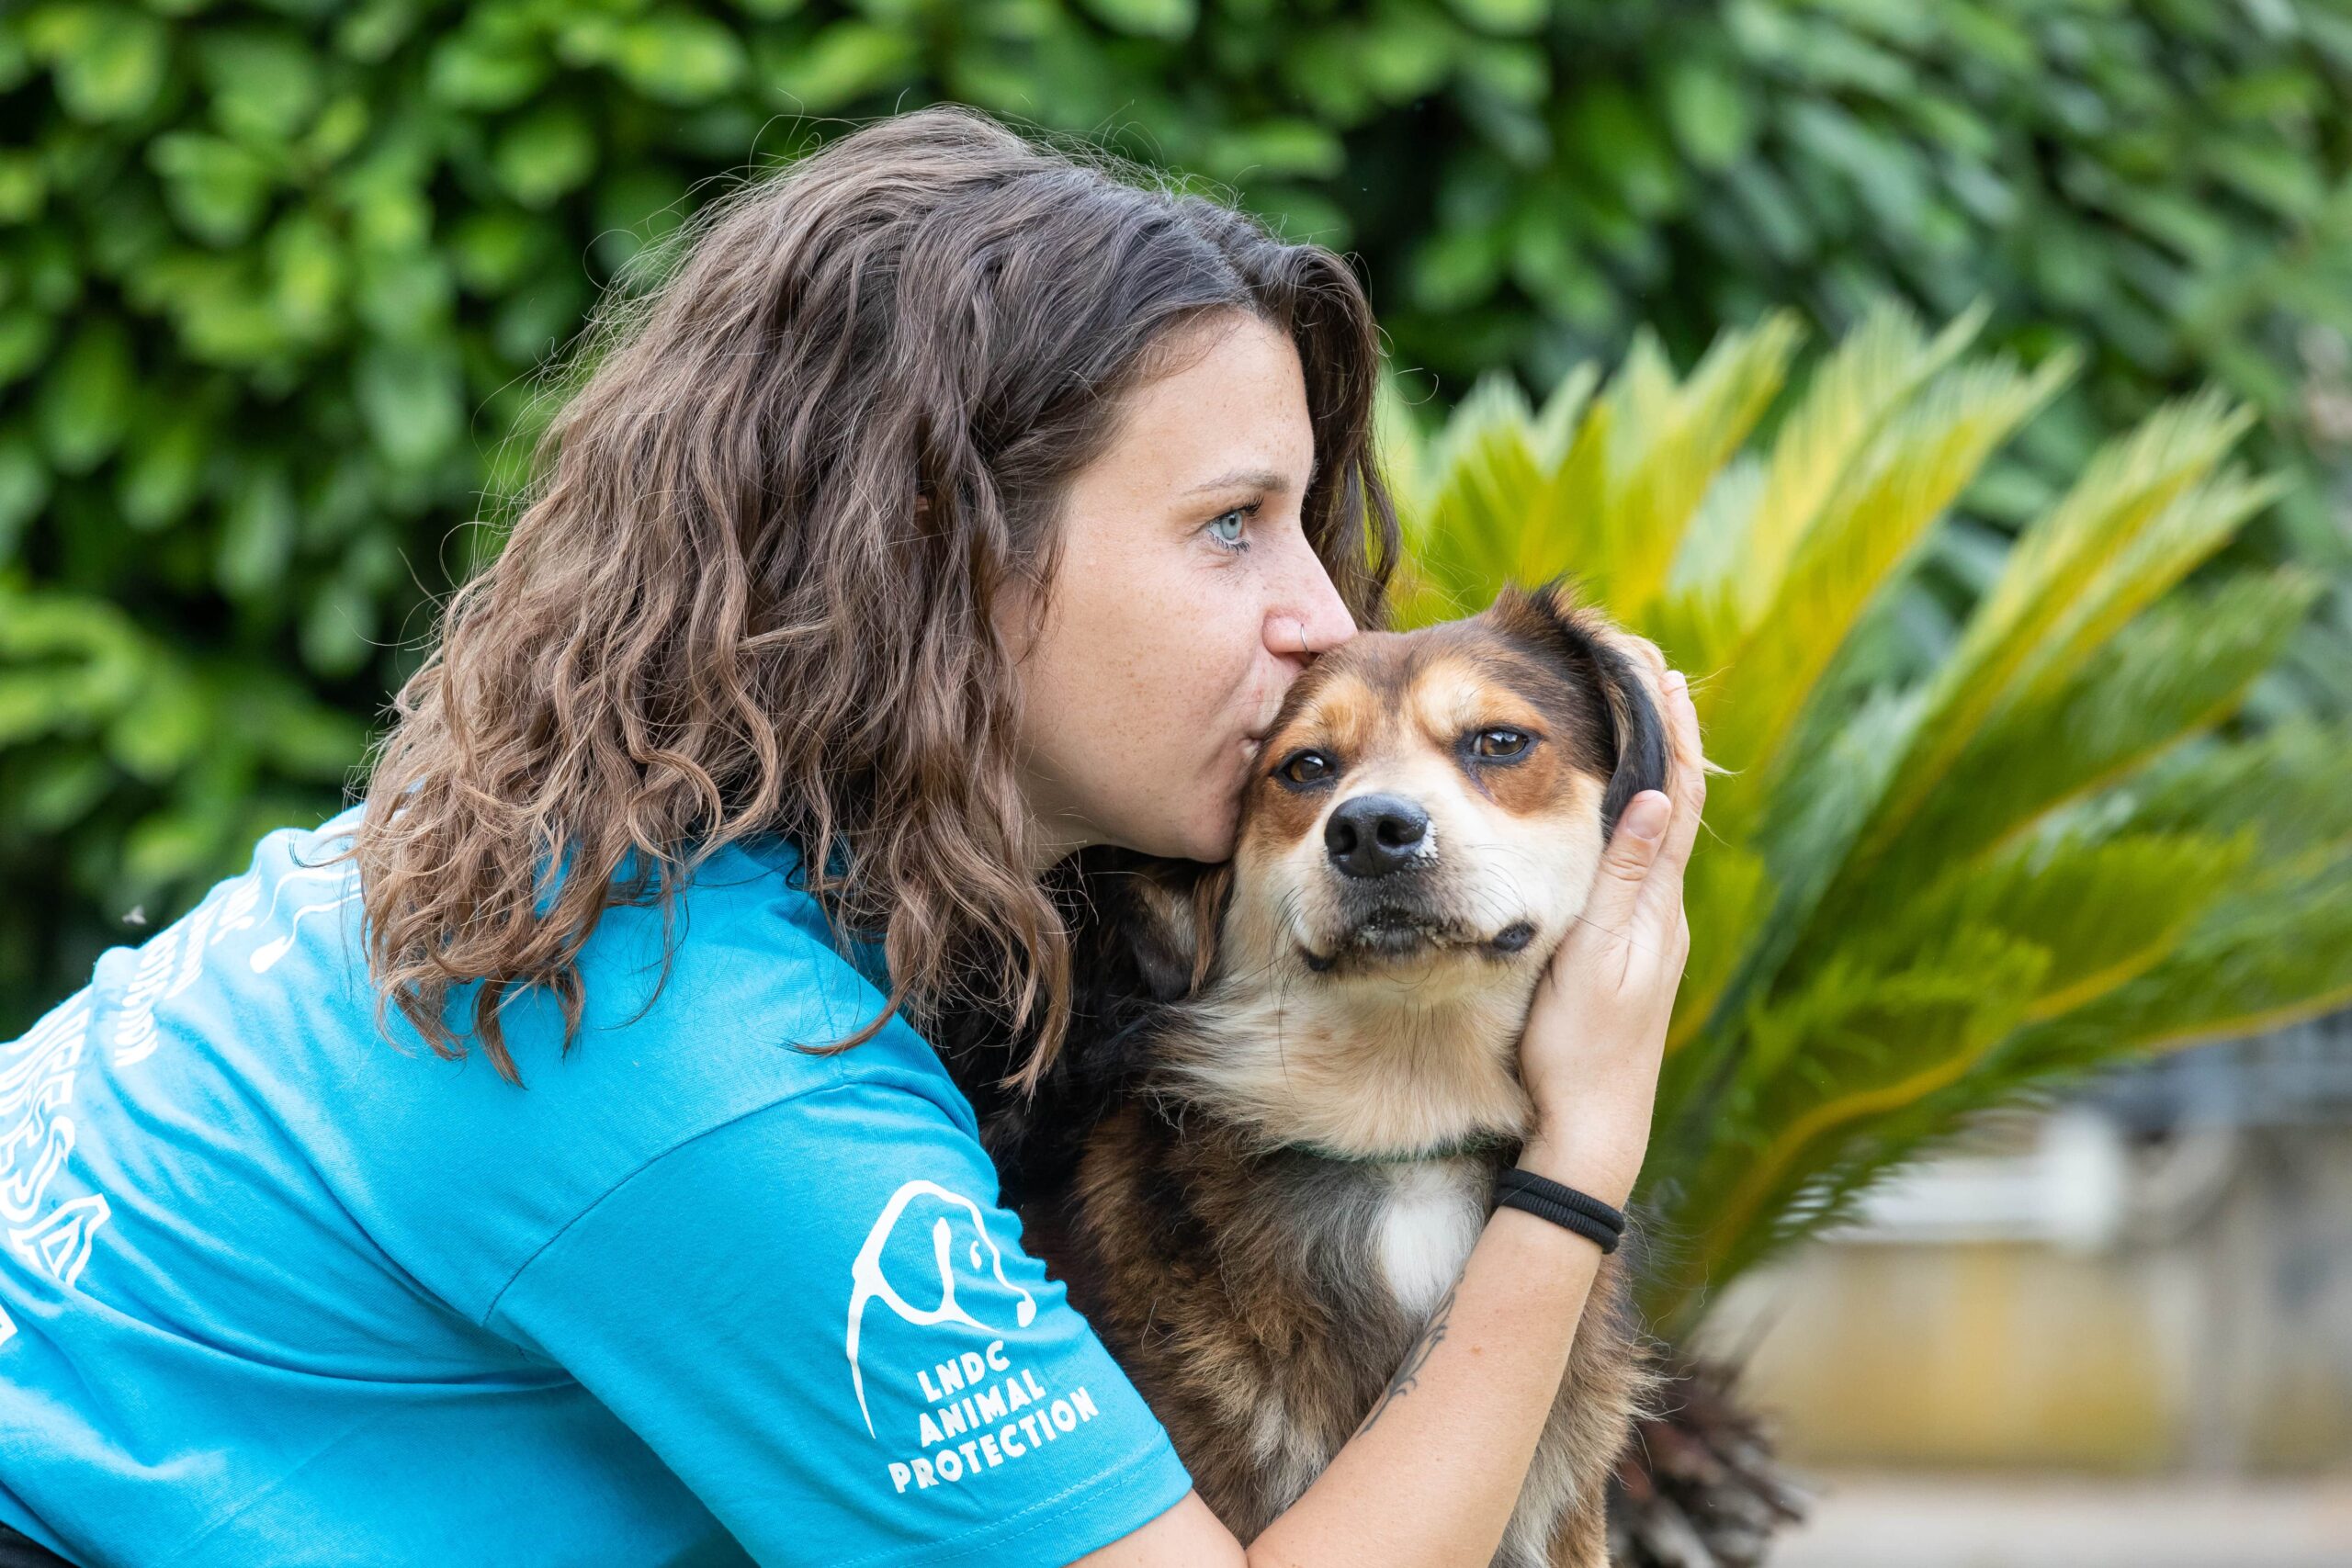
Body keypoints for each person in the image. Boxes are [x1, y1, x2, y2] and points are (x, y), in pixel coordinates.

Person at [0, 104, 1704, 1568]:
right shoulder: (706, 1049)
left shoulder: (619, 844)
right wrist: (1579, 1156)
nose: (1320, 614)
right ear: (944, 547)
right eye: (1230, 527)